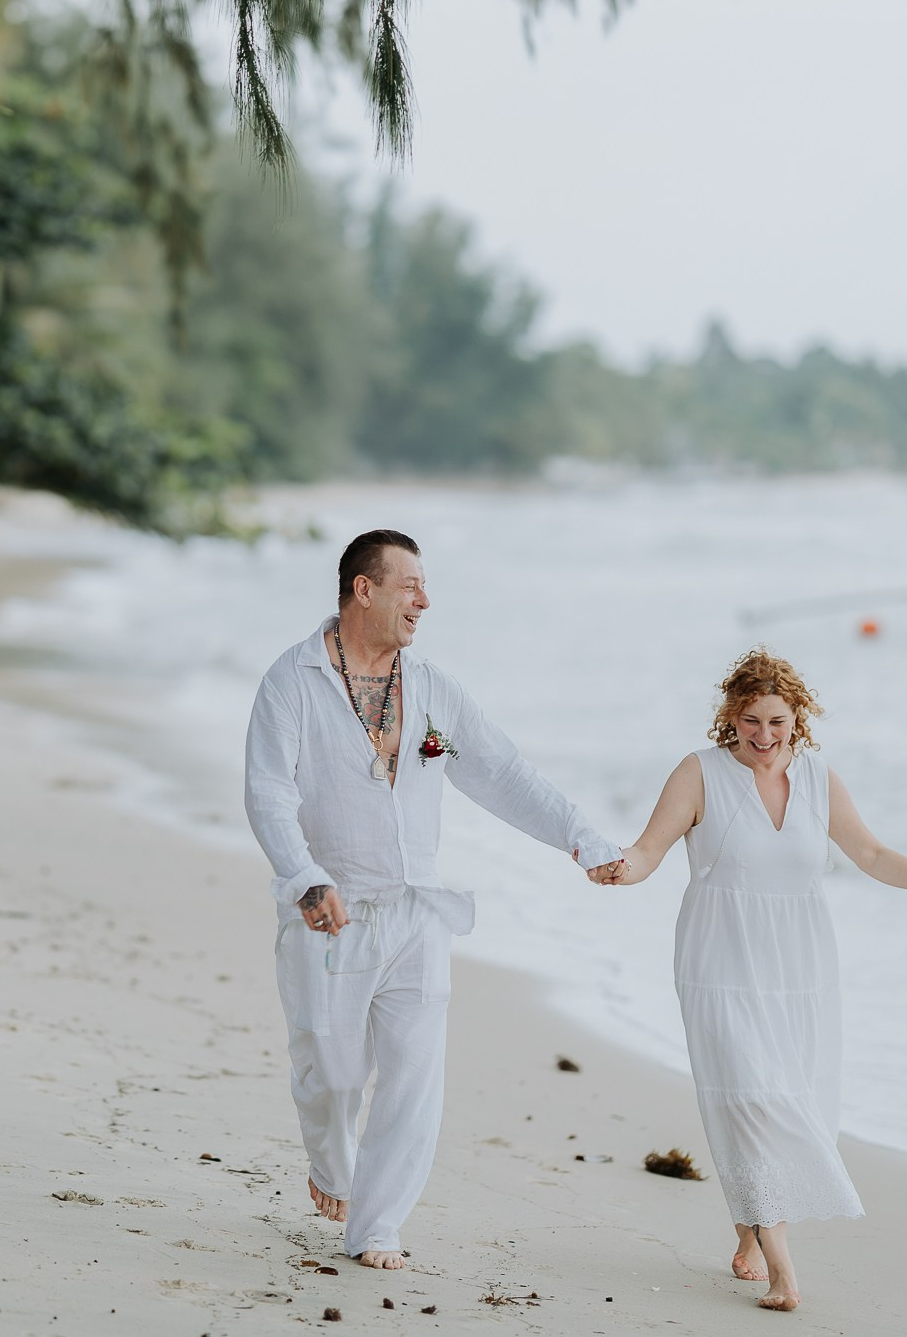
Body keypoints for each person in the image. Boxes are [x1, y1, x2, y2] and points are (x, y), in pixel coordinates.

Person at [243, 529, 624, 1270]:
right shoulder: (290, 681)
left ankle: (377, 1224)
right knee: (332, 1073)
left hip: (419, 912)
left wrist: (582, 837)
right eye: (410, 584)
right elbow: (267, 790)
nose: (425, 599)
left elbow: (505, 774)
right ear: (364, 588)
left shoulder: (434, 689)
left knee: (414, 1076)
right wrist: (303, 876)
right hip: (330, 913)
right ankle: (331, 1165)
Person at [600, 648, 907, 1312]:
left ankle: (749, 1229)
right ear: (732, 716)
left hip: (799, 969)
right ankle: (784, 1270)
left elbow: (870, 851)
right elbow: (649, 849)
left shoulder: (818, 778)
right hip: (719, 962)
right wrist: (618, 867)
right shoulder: (701, 774)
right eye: (752, 721)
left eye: (778, 720)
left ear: (799, 716)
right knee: (752, 1097)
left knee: (784, 1100)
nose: (766, 736)